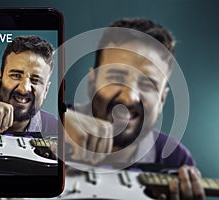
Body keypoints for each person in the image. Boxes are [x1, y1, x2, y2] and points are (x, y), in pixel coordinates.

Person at [65, 18, 205, 199]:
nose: (128, 97)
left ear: (162, 99)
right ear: (92, 83)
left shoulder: (175, 160)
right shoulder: (46, 123)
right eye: (116, 76)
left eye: (147, 84)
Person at [0, 35, 57, 134]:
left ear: (46, 90)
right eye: (16, 75)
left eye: (35, 80)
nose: (24, 89)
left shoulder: (57, 129)